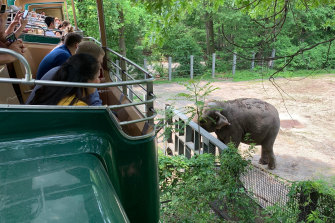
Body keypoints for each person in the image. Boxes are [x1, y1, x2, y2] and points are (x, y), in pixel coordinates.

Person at [26, 41, 104, 105]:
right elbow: (96, 106)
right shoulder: (76, 103)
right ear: (88, 62)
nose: (100, 67)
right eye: (99, 62)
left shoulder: (62, 71)